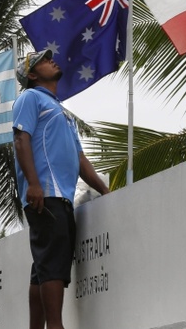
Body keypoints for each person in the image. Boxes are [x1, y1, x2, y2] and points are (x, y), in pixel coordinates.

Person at [12, 49, 110, 329]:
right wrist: (33, 183)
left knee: (43, 267)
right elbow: (21, 139)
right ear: (31, 75)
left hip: (61, 197)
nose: (51, 60)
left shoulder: (62, 112)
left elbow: (80, 159)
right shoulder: (29, 98)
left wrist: (105, 191)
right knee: (52, 265)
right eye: (43, 60)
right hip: (46, 194)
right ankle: (56, 325)